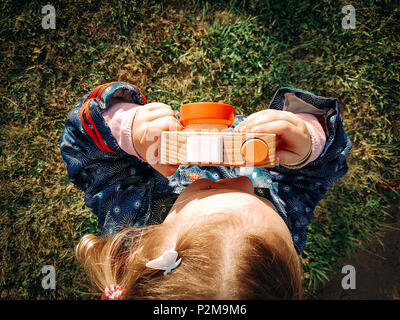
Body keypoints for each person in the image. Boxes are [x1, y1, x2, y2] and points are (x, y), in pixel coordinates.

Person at [60, 82, 351, 299]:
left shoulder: (130, 226)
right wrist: (310, 143)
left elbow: (85, 153)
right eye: (260, 198)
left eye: (204, 190)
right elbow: (313, 179)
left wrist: (128, 129)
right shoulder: (274, 254)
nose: (244, 181)